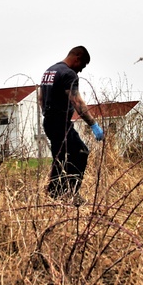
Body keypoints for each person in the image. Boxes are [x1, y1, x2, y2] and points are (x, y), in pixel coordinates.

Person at [39, 46, 104, 203]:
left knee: (60, 158)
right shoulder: (69, 74)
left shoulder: (50, 71)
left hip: (49, 121)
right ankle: (70, 194)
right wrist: (93, 124)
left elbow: (41, 97)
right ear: (77, 58)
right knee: (81, 152)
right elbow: (77, 101)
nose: (81, 70)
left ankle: (55, 195)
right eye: (83, 65)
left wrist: (46, 114)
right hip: (60, 123)